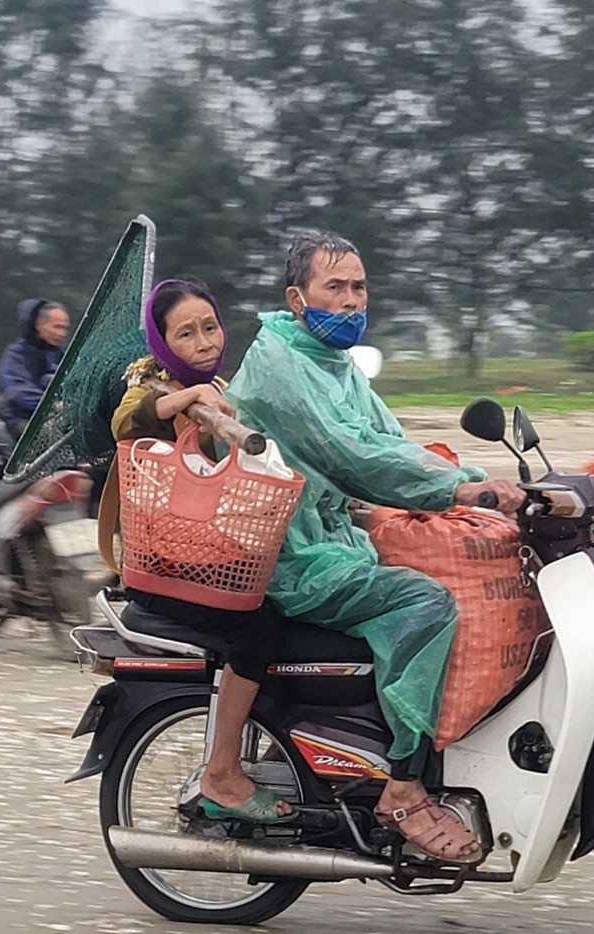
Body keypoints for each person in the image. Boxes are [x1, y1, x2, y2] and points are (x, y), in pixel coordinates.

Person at [225, 232, 525, 863]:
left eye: (359, 286)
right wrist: (462, 491)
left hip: (338, 541)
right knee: (426, 605)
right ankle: (405, 789)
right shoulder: (280, 364)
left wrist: (476, 479)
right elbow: (354, 454)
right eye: (335, 286)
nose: (352, 299)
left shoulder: (334, 362)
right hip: (294, 557)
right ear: (297, 297)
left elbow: (390, 439)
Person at [109, 278, 291, 824]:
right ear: (163, 345)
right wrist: (189, 400)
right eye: (185, 334)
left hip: (208, 555)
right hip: (161, 568)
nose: (204, 340)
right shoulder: (146, 389)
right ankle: (222, 772)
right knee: (260, 630)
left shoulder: (222, 385)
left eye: (209, 327)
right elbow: (127, 422)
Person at [0, 298, 69, 435]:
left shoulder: (60, 354)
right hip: (20, 418)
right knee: (49, 435)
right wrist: (52, 406)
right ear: (38, 325)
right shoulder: (16, 354)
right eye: (57, 327)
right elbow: (17, 390)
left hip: (53, 416)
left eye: (65, 328)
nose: (62, 333)